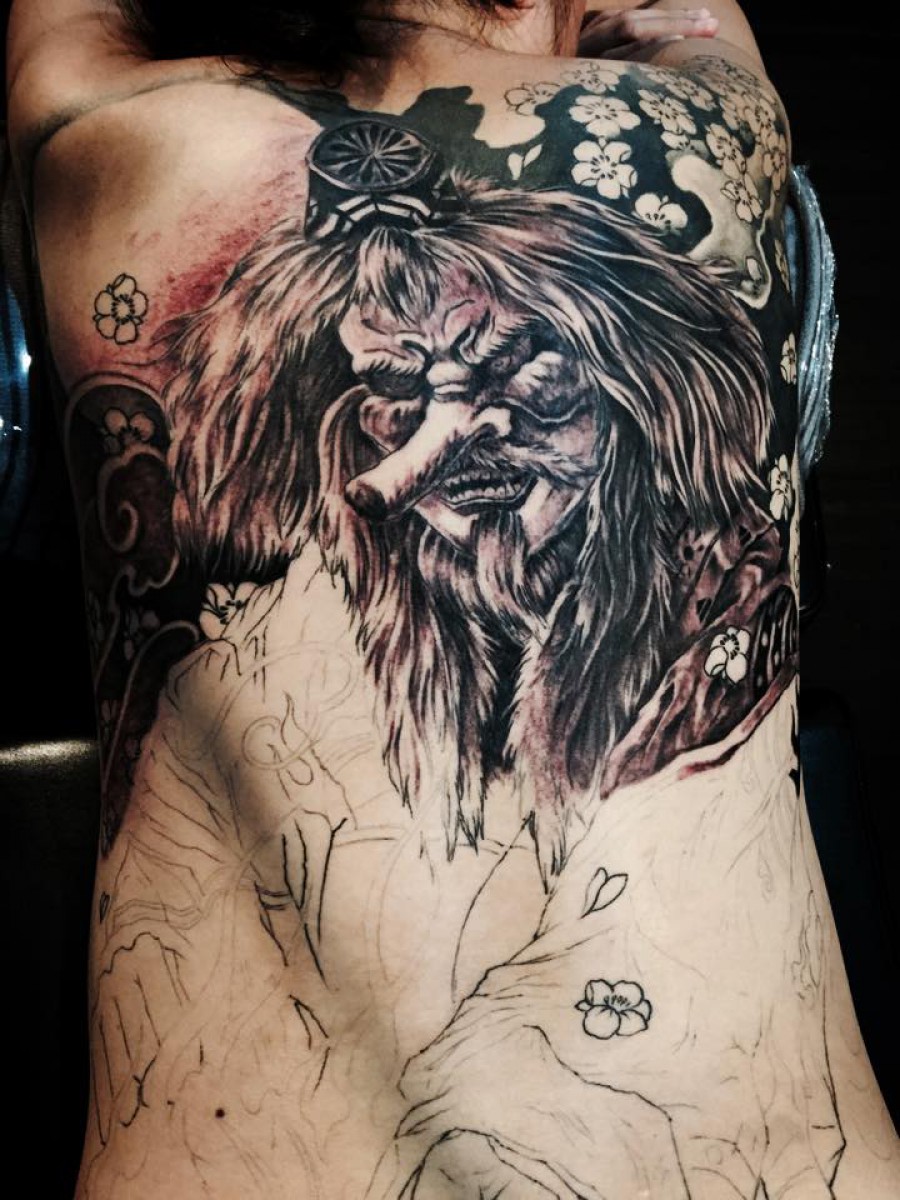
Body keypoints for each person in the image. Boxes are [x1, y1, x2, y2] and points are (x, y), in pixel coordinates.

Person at [6, 1, 899, 1195]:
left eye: (513, 381)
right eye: (394, 397)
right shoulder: (693, 117)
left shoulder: (110, 128)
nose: (431, 457)